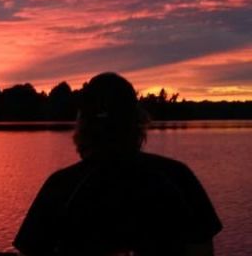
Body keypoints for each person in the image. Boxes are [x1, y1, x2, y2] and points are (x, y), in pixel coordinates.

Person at [13, 72, 222, 256]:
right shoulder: (177, 177)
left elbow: (31, 250)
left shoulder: (61, 186)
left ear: (83, 126)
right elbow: (202, 249)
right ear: (137, 122)